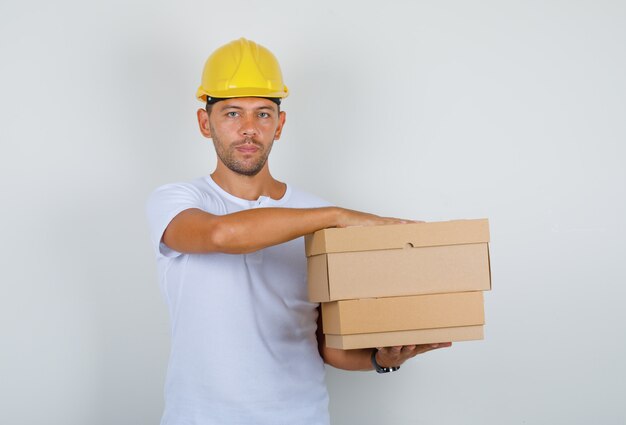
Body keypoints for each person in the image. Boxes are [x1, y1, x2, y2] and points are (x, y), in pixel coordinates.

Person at [146, 37, 451, 425]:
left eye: (263, 114)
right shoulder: (176, 200)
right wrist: (337, 217)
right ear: (205, 123)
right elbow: (221, 236)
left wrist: (381, 359)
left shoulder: (314, 212)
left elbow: (326, 344)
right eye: (232, 113)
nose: (249, 129)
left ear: (280, 123)